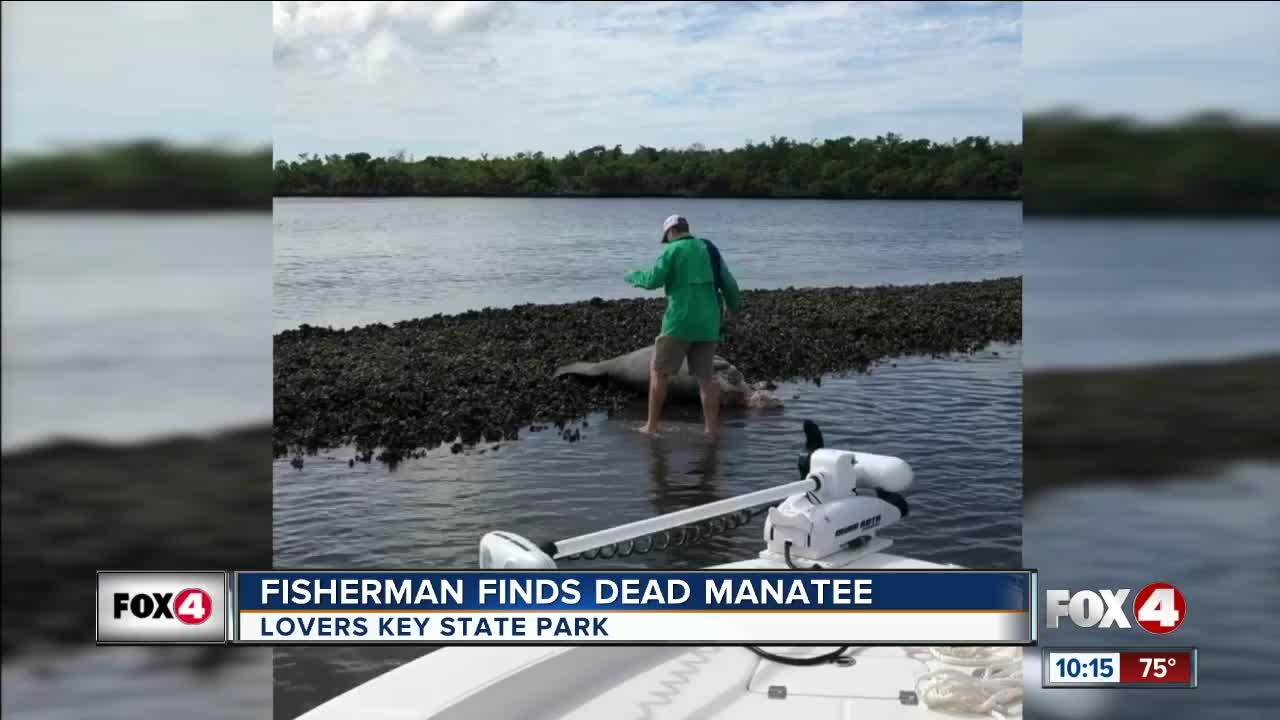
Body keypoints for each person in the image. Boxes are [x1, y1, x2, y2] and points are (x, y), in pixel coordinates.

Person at [625, 214, 741, 437]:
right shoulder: (708, 248)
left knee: (659, 372)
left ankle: (651, 426)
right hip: (709, 323)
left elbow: (652, 281)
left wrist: (632, 276)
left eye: (666, 238)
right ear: (686, 228)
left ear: (671, 232)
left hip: (679, 322)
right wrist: (733, 312)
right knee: (706, 378)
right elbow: (729, 284)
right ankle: (712, 430)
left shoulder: (671, 250)